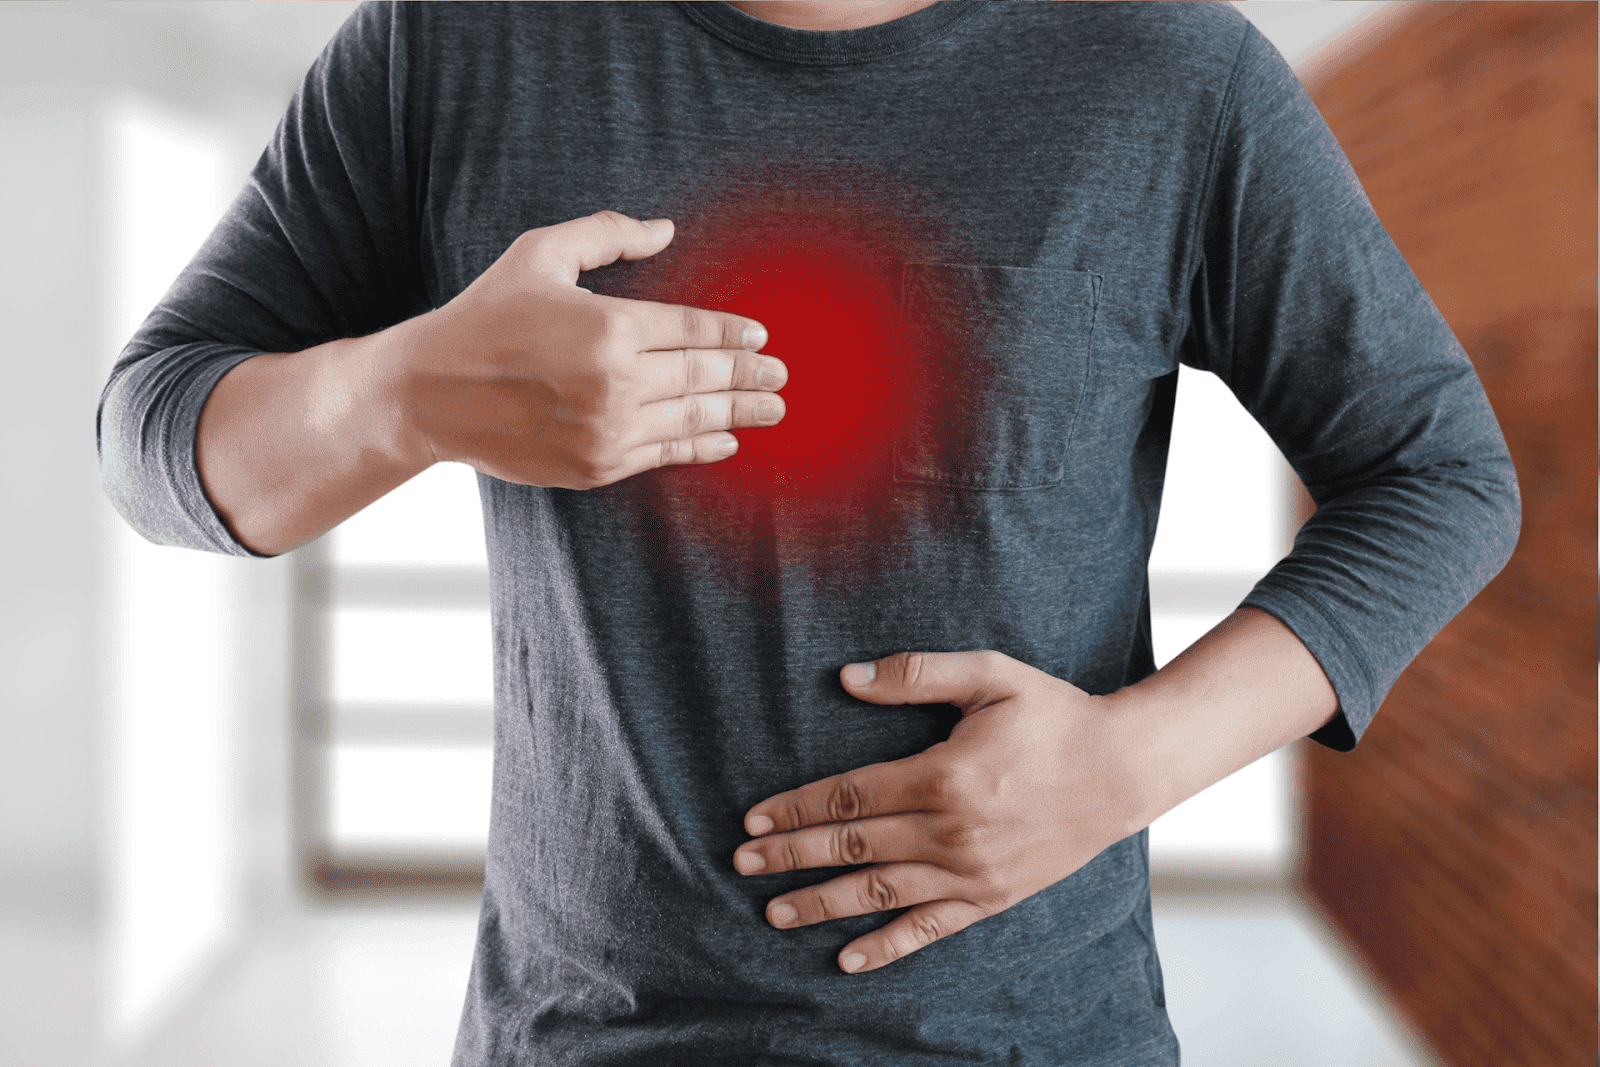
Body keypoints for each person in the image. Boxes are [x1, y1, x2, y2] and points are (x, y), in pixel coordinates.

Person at [96, 1, 1520, 1063]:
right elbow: (150, 435)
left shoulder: (1171, 72)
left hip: (1035, 1037)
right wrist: (399, 394)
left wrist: (1129, 763)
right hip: (578, 1039)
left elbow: (1441, 472)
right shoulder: (451, 43)